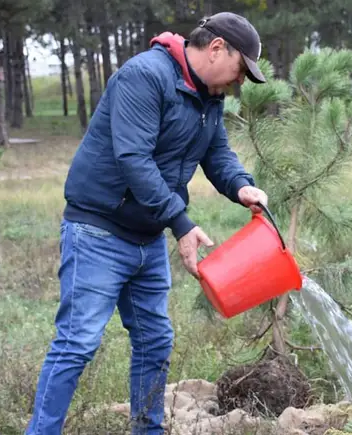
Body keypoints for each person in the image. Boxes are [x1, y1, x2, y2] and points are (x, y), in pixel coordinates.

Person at [26, 12, 269, 435]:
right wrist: (181, 222)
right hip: (97, 230)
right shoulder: (144, 76)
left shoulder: (210, 97)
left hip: (147, 235)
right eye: (240, 70)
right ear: (216, 49)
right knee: (77, 344)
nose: (239, 82)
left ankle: (147, 431)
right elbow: (133, 161)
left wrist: (242, 187)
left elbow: (217, 156)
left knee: (155, 343)